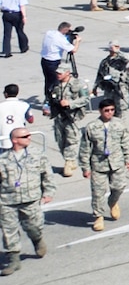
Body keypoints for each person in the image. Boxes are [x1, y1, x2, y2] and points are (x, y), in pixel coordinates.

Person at [0, 124, 53, 273]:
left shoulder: (37, 154)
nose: (29, 138)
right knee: (8, 230)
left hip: (31, 198)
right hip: (7, 200)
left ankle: (37, 240)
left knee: (34, 226)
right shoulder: (3, 159)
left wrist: (48, 192)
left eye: (29, 135)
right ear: (15, 140)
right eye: (25, 136)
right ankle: (14, 259)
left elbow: (47, 174)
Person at [81, 95, 129, 231]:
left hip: (117, 162)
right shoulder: (91, 127)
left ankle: (113, 201)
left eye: (112, 110)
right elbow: (85, 148)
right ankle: (99, 217)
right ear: (100, 111)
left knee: (119, 186)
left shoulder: (119, 124)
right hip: (98, 164)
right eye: (106, 110)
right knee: (98, 192)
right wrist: (85, 167)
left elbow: (126, 142)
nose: (109, 112)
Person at [47, 65, 84, 176]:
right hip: (58, 116)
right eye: (57, 73)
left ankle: (68, 162)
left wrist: (70, 103)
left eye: (60, 73)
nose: (58, 75)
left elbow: (85, 98)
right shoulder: (55, 84)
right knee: (60, 140)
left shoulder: (78, 84)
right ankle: (70, 160)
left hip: (72, 116)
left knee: (72, 140)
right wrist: (46, 108)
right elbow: (49, 98)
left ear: (67, 73)